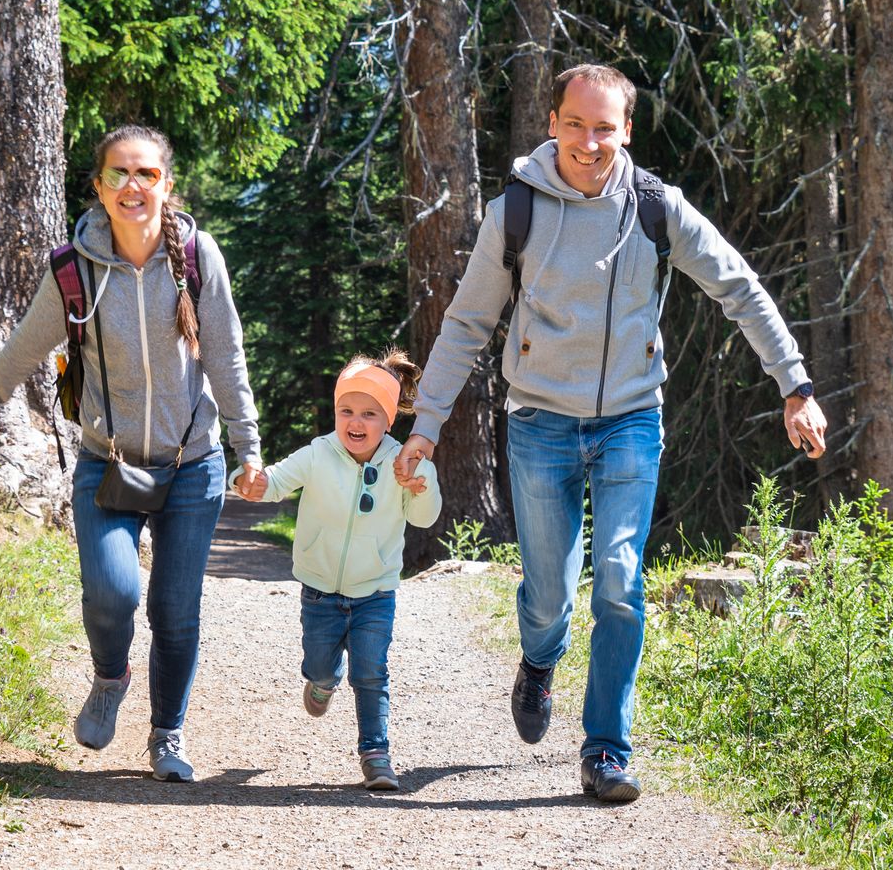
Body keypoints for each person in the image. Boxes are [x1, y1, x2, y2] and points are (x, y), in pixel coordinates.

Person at [393, 64, 828, 803]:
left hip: (632, 416)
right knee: (548, 597)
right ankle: (538, 661)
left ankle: (606, 751)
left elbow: (739, 288)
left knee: (622, 584)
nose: (589, 143)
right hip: (539, 423)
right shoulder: (518, 210)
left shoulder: (657, 209)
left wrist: (795, 386)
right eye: (575, 124)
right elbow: (468, 323)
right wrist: (426, 424)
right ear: (553, 123)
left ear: (626, 130)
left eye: (605, 127)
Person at [0, 124, 262, 783]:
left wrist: (250, 450)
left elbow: (227, 356)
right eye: (119, 174)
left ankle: (166, 737)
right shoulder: (73, 268)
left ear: (166, 185)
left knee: (175, 611)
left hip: (194, 466)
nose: (133, 185)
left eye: (146, 174)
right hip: (106, 460)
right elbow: (22, 349)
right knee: (112, 592)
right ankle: (108, 676)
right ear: (97, 186)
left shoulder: (197, 255)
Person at [233, 350, 442, 791]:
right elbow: (274, 481)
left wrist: (420, 487)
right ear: (336, 413)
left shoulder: (403, 462)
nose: (356, 421)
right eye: (347, 410)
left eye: (370, 413)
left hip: (376, 592)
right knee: (320, 666)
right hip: (320, 591)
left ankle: (376, 754)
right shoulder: (319, 453)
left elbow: (424, 517)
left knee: (372, 671)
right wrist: (251, 482)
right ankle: (323, 681)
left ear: (388, 419)